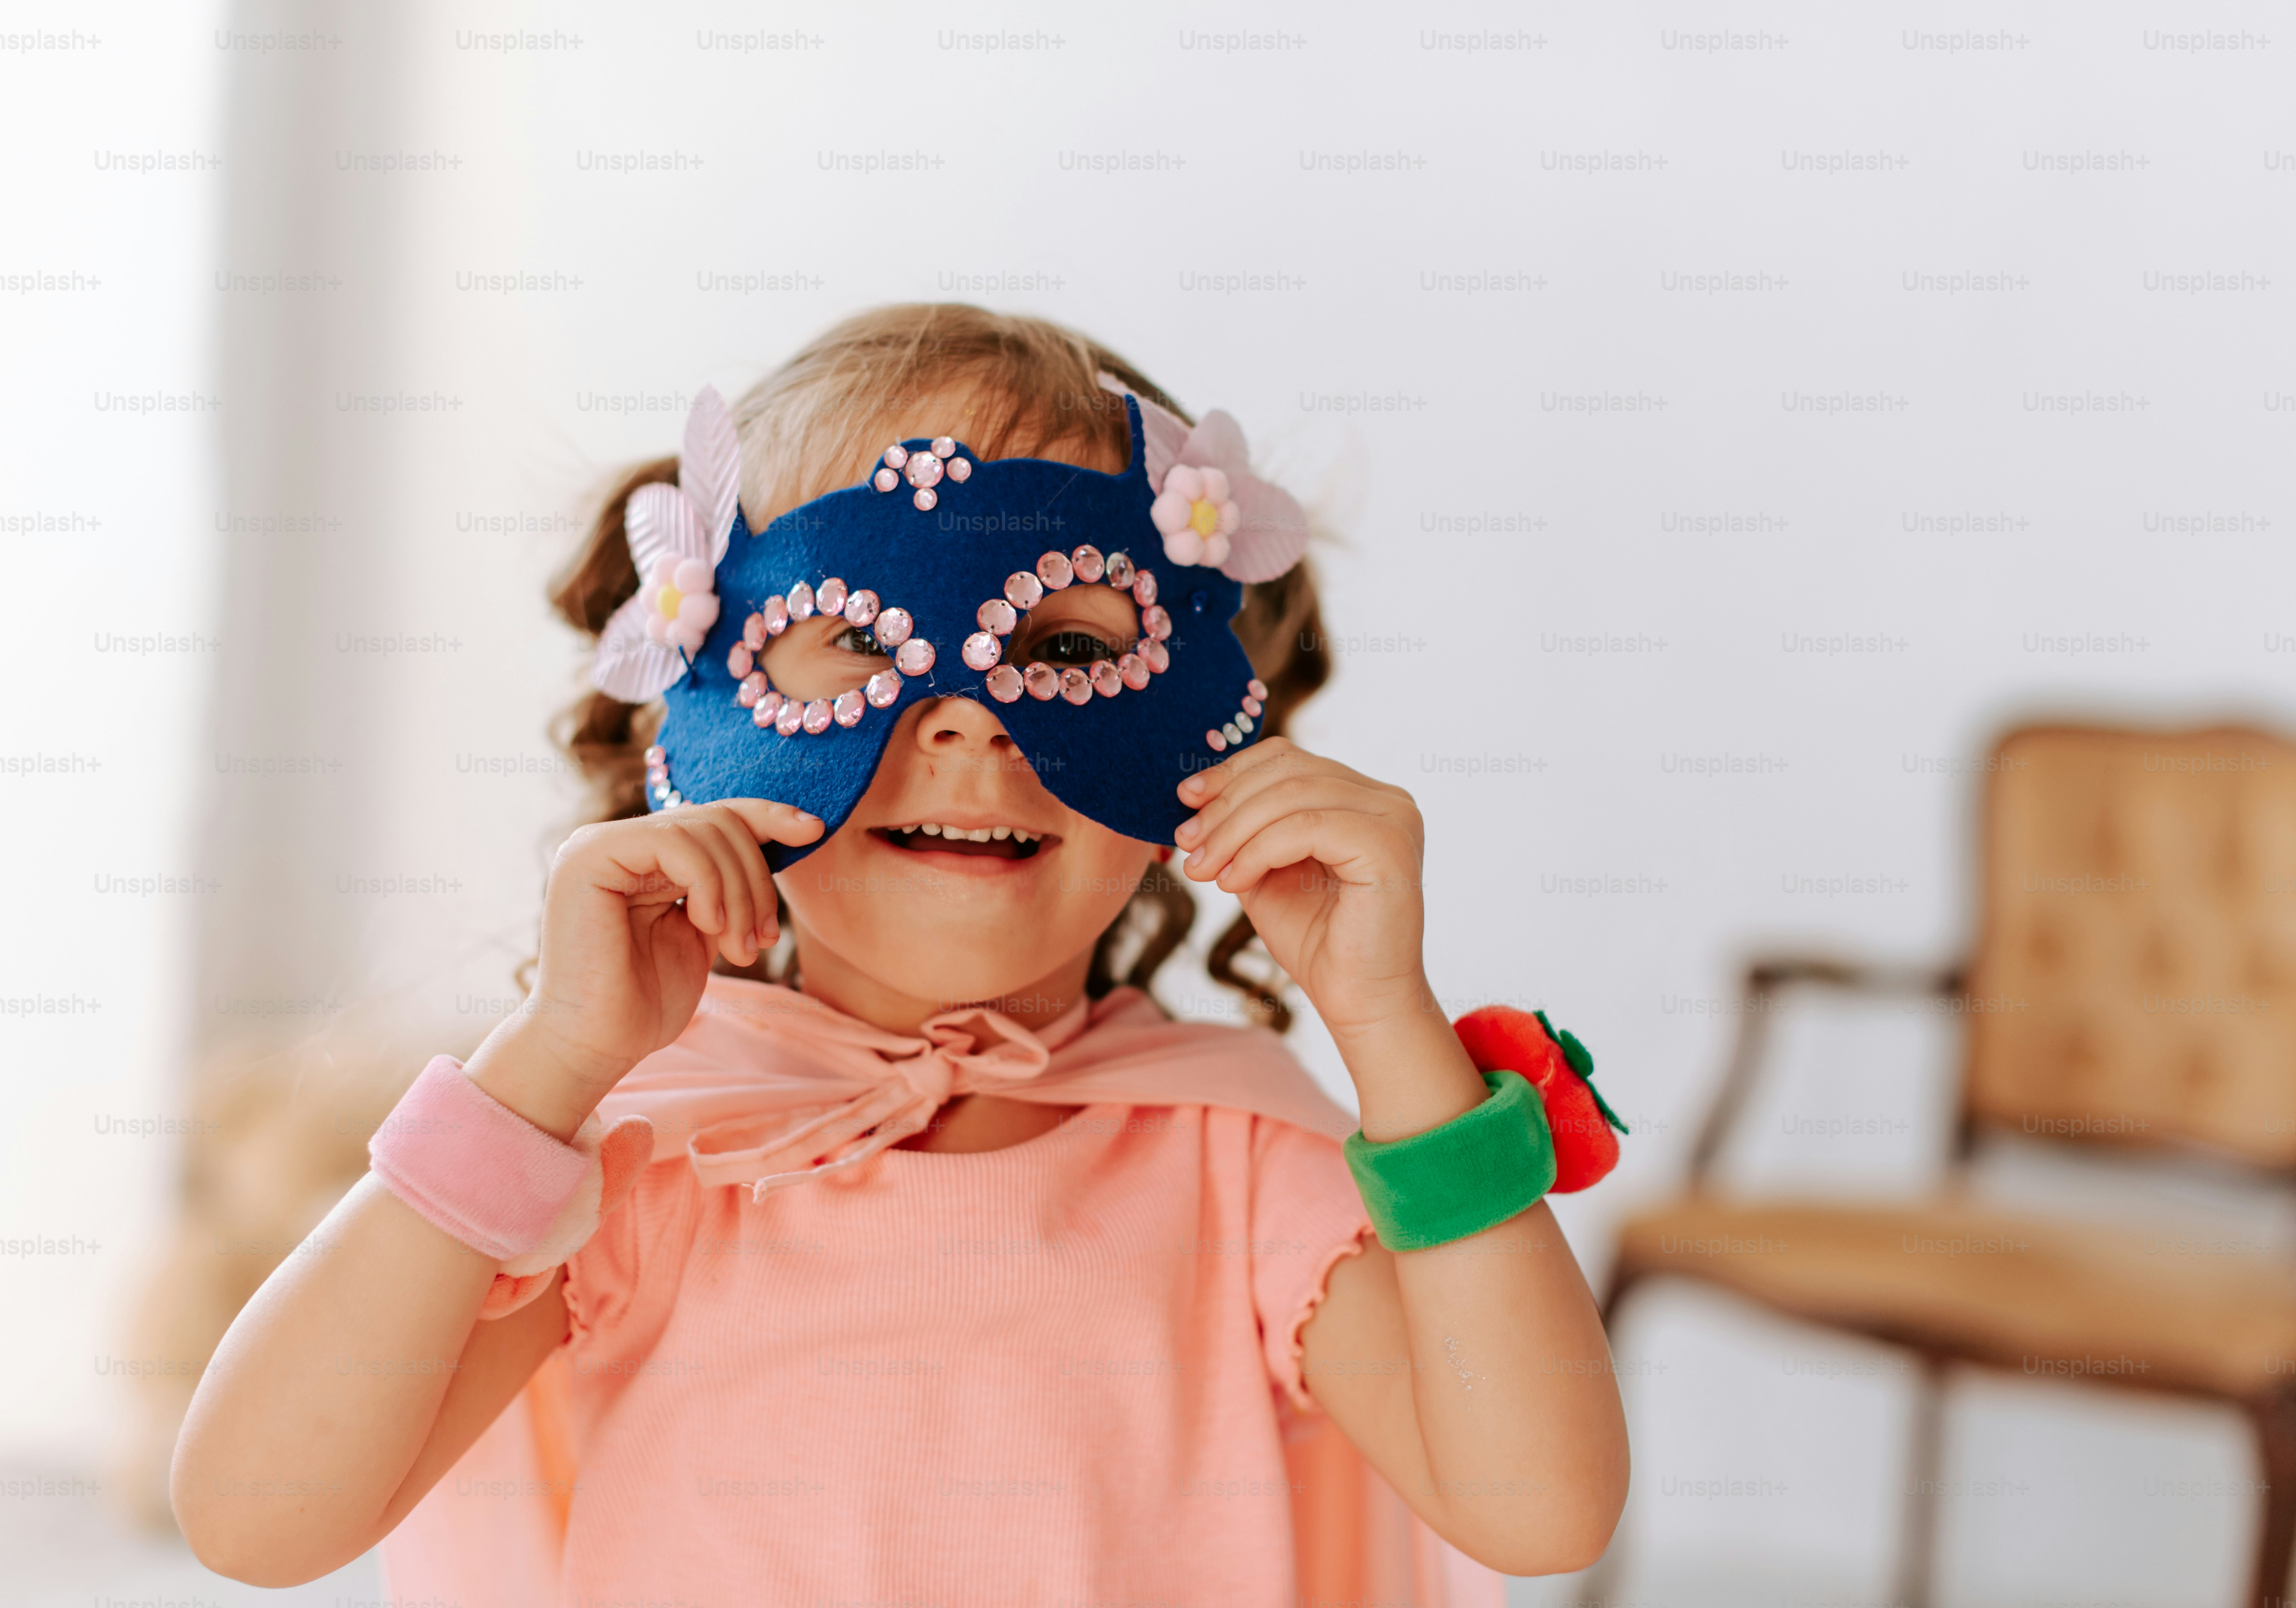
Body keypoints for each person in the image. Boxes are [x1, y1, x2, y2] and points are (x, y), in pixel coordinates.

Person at [171, 305, 1629, 1605]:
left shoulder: (1236, 1157)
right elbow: (255, 1518)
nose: (968, 720)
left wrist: (1389, 1023)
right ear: (701, 705)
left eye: (1063, 653)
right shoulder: (642, 1161)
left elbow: (1540, 1511)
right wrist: (548, 1063)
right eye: (861, 646)